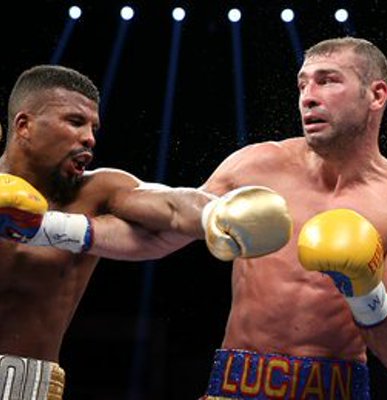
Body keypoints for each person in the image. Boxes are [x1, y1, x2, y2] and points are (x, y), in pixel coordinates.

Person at [0, 65, 294, 399]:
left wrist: (215, 212)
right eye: (75, 121)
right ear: (24, 126)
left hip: (27, 385)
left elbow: (169, 204)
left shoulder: (95, 193)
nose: (89, 138)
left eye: (93, 127)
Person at [198, 36, 387, 399]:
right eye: (303, 84)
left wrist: (366, 292)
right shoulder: (256, 166)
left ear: (377, 95)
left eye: (327, 80)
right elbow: (162, 226)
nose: (308, 96)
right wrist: (85, 227)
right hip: (234, 388)